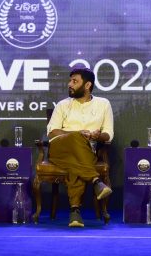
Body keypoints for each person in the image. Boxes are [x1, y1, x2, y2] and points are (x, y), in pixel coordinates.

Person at [47, 67, 114, 227]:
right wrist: (77, 134)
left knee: (75, 162)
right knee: (77, 138)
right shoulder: (63, 105)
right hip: (59, 149)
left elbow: (108, 134)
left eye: (74, 81)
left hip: (86, 150)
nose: (70, 84)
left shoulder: (103, 104)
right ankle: (95, 180)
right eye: (70, 81)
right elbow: (52, 132)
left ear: (87, 85)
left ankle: (75, 212)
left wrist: (97, 136)